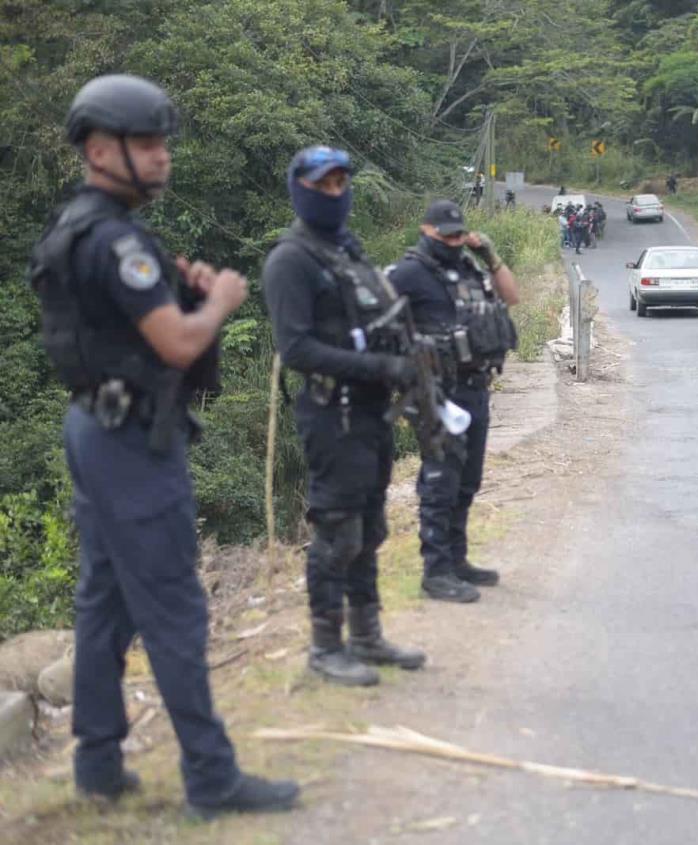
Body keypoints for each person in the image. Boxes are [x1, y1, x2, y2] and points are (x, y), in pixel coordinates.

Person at [28, 74, 298, 819]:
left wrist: (182, 297)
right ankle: (212, 778)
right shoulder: (116, 240)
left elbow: (116, 331)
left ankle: (97, 764)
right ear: (98, 149)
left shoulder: (75, 226)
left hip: (93, 426)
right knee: (175, 606)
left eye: (161, 142)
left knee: (105, 600)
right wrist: (217, 301)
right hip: (128, 444)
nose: (162, 156)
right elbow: (177, 344)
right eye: (146, 142)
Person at [263, 146, 427, 687]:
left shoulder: (348, 253)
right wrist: (377, 364)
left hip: (373, 414)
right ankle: (325, 647)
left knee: (372, 527)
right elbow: (298, 349)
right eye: (322, 185)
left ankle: (366, 635)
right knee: (338, 533)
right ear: (300, 190)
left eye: (340, 184)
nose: (334, 193)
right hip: (332, 416)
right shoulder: (291, 260)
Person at [388, 200, 520, 603]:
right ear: (427, 232)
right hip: (435, 391)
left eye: (458, 235)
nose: (452, 241)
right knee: (440, 480)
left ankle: (458, 560)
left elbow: (511, 298)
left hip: (475, 387)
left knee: (468, 480)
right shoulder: (408, 273)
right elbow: (371, 315)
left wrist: (491, 256)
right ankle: (436, 569)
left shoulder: (469, 267)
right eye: (445, 235)